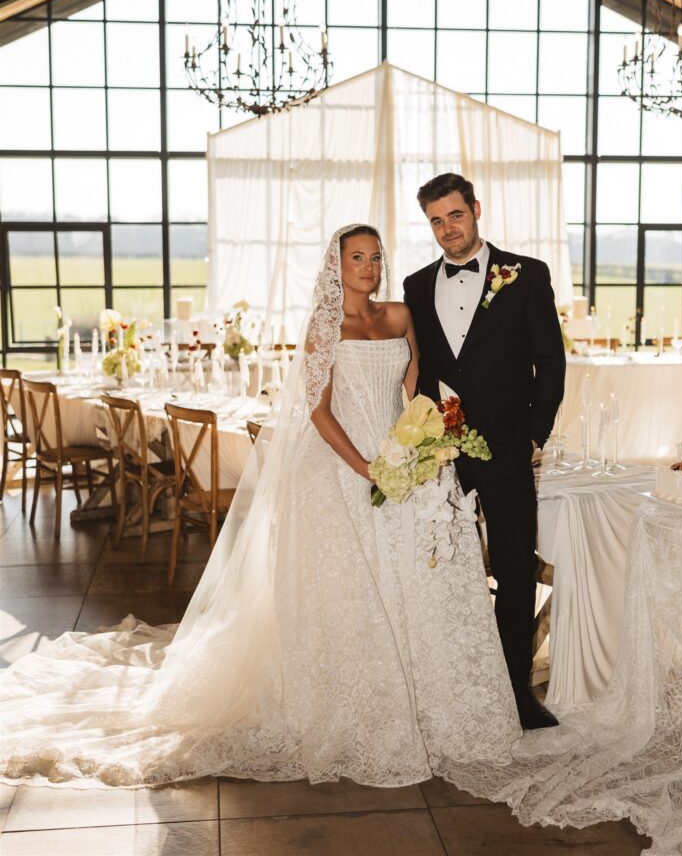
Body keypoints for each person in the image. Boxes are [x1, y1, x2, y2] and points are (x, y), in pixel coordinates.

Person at [0, 224, 521, 790]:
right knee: (353, 590)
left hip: (400, 450)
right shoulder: (325, 327)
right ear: (336, 266)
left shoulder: (398, 315)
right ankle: (360, 708)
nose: (368, 267)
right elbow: (319, 413)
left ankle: (429, 703)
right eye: (356, 258)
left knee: (416, 577)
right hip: (343, 459)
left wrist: (419, 440)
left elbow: (414, 380)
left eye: (375, 257)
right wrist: (367, 468)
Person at [404, 174, 566, 730]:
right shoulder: (416, 284)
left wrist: (532, 434)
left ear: (476, 210)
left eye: (455, 215)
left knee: (517, 566)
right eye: (436, 221)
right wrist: (425, 435)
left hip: (507, 448)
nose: (448, 229)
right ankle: (454, 682)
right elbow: (425, 370)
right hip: (443, 450)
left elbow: (551, 361)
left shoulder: (526, 275)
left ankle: (516, 693)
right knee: (443, 564)